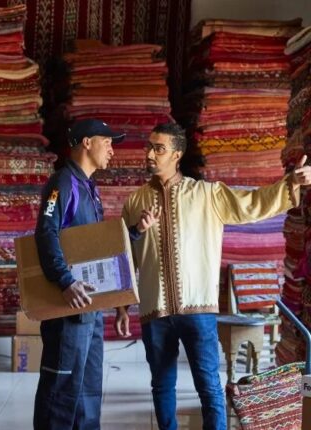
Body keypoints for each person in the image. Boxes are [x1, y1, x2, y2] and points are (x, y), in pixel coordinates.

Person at [116, 122, 311, 430]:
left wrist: (290, 183)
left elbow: (252, 204)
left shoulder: (207, 194)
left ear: (177, 154)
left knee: (208, 387)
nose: (151, 154)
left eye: (159, 148)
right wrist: (122, 305)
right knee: (161, 386)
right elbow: (124, 255)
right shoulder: (135, 202)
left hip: (198, 310)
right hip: (155, 310)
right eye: (149, 147)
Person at [33, 118, 125, 429]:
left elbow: (92, 246)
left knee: (88, 391)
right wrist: (65, 280)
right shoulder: (62, 184)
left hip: (91, 309)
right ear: (86, 142)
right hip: (68, 310)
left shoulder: (89, 188)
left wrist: (136, 232)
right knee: (60, 391)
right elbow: (46, 232)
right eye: (107, 141)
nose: (112, 149)